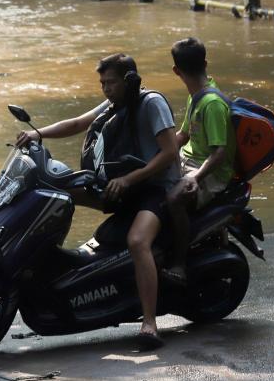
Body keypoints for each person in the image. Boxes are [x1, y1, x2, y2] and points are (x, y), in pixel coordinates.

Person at [14, 54, 179, 348]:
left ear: (129, 80)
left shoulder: (152, 103)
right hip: (122, 185)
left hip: (155, 188)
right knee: (61, 195)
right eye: (102, 83)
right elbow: (77, 123)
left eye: (111, 82)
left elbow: (169, 153)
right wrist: (36, 134)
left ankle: (150, 323)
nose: (106, 89)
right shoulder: (115, 104)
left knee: (138, 241)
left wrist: (130, 179)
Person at [163, 37, 236, 286]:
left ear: (176, 71)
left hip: (210, 171)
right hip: (189, 160)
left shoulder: (212, 104)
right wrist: (156, 152)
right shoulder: (196, 95)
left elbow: (219, 154)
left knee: (174, 200)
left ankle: (179, 264)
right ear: (205, 62)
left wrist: (195, 177)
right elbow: (183, 136)